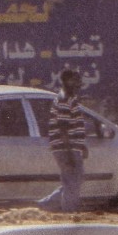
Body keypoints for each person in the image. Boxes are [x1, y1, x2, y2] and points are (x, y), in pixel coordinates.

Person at [37, 69, 89, 213]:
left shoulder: (70, 98)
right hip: (66, 147)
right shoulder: (64, 99)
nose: (79, 83)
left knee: (74, 180)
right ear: (67, 81)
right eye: (75, 80)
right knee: (73, 180)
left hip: (71, 147)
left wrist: (82, 146)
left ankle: (45, 204)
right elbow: (63, 128)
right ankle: (69, 212)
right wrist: (69, 153)